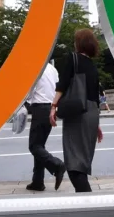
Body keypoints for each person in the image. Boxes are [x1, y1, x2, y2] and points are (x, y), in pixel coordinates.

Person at [50, 29, 104, 193]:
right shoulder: (92, 67)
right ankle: (87, 201)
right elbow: (96, 97)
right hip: (91, 114)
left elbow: (63, 84)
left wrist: (53, 106)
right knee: (82, 163)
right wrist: (97, 125)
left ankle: (89, 203)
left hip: (77, 113)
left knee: (74, 165)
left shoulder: (72, 59)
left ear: (78, 43)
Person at [25, 58, 65, 192]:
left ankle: (56, 165)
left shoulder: (36, 68)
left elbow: (30, 89)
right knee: (39, 145)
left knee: (34, 146)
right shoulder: (52, 69)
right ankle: (37, 182)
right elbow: (58, 87)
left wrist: (25, 102)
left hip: (40, 107)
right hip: (50, 108)